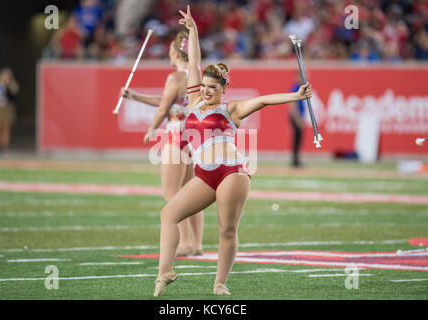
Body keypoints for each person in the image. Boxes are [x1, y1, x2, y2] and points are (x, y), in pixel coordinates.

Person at [154, 5, 312, 296]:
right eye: (205, 86)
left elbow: (264, 100)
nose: (207, 90)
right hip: (204, 175)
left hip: (232, 173)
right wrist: (194, 31)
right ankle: (164, 272)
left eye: (213, 87)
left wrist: (295, 95)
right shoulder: (193, 100)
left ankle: (219, 283)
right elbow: (193, 62)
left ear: (223, 90)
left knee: (226, 230)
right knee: (168, 214)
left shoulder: (232, 109)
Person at [121, 31, 204, 257]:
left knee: (172, 194)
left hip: (176, 137)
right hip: (193, 139)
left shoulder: (175, 78)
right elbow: (166, 101)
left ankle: (184, 243)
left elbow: (162, 109)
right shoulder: (196, 75)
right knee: (191, 193)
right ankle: (196, 244)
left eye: (170, 50)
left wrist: (152, 128)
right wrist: (136, 96)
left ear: (175, 52)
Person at [0, 68, 19, 154]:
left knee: (6, 126)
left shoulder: (12, 85)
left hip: (8, 107)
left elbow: (14, 95)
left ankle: (5, 144)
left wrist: (10, 86)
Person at [289, 73, 306, 168]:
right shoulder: (296, 87)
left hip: (299, 117)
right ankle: (295, 161)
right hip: (296, 117)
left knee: (298, 139)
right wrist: (297, 118)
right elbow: (293, 104)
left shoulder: (299, 87)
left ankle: (296, 159)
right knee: (297, 139)